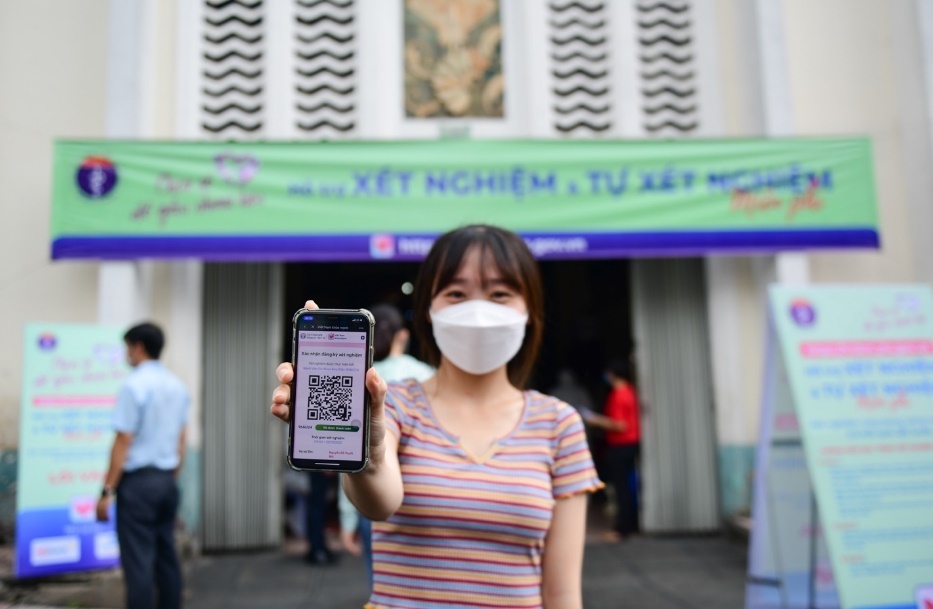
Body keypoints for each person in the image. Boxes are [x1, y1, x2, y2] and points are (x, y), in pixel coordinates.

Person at [271, 225, 603, 609]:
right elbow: (380, 502)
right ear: (429, 309)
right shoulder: (394, 404)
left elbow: (562, 595)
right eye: (457, 294)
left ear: (529, 310)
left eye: (499, 294)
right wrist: (365, 451)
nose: (479, 312)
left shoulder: (559, 424)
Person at [337, 303, 435, 588]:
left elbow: (348, 455)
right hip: (423, 498)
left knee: (380, 587)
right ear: (402, 336)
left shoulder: (358, 377)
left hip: (370, 498)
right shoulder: (427, 376)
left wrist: (347, 520)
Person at [96, 322, 189, 609]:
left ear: (138, 347)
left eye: (128, 347)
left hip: (137, 485)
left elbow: (124, 439)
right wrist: (170, 476)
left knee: (138, 564)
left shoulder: (133, 385)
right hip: (166, 481)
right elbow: (181, 440)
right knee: (166, 558)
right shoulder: (177, 385)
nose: (127, 354)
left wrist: (107, 491)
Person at [601, 358, 642, 541]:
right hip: (630, 443)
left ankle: (622, 529)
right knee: (627, 486)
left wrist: (595, 420)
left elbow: (619, 425)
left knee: (621, 488)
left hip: (620, 444)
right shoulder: (630, 391)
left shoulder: (618, 394)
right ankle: (629, 525)